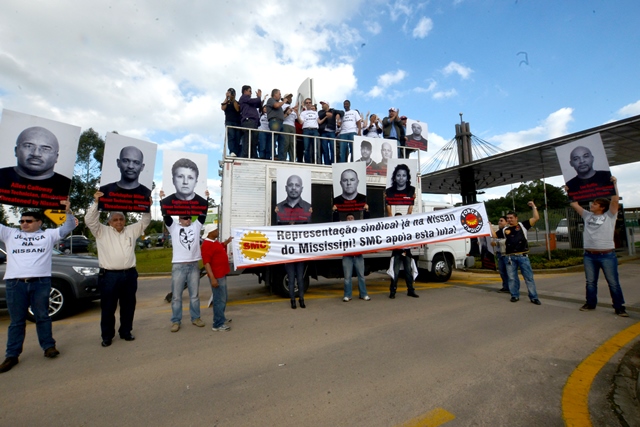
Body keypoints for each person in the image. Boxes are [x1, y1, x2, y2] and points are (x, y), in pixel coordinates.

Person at [0, 200, 75, 373]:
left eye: (28, 221)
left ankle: (48, 347)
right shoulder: (10, 234)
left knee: (42, 316)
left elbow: (68, 227)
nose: (24, 224)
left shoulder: (48, 234)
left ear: (39, 222)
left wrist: (68, 210)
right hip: (15, 284)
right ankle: (12, 355)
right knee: (17, 321)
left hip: (40, 283)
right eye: (22, 221)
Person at [86, 191, 152, 347]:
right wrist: (96, 202)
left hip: (129, 275)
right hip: (109, 276)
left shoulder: (131, 230)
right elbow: (89, 219)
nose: (118, 222)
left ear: (125, 220)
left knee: (128, 306)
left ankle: (126, 332)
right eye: (115, 219)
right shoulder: (101, 231)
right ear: (109, 222)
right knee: (108, 307)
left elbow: (145, 221)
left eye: (121, 219)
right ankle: (107, 336)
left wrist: (146, 205)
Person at [567, 176, 628, 316]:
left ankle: (619, 307)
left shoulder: (610, 215)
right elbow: (574, 204)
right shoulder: (587, 215)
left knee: (613, 282)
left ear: (602, 207)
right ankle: (590, 303)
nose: (591, 205)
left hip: (607, 255)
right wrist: (570, 191)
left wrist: (614, 184)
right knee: (590, 282)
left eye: (594, 204)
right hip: (589, 255)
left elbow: (614, 200)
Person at [163, 197, 208, 332]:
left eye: (189, 217)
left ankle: (196, 318)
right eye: (184, 218)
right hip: (179, 266)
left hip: (194, 265)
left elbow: (203, 212)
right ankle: (176, 321)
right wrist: (163, 200)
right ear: (179, 219)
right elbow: (166, 215)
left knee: (194, 295)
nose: (187, 220)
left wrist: (205, 198)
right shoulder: (173, 227)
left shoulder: (196, 226)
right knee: (176, 296)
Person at [0, 126, 72, 208]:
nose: (36, 154)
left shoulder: (67, 187)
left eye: (45, 148)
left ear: (56, 157)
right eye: (28, 146)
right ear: (16, 151)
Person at [493, 202, 542, 305]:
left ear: (516, 218)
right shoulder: (505, 230)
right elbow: (494, 236)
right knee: (512, 278)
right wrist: (487, 224)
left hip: (523, 257)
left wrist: (533, 206)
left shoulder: (523, 225)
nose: (509, 220)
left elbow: (536, 217)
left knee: (528, 277)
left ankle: (534, 297)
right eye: (508, 218)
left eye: (511, 218)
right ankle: (514, 295)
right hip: (510, 258)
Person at [99, 146, 152, 212]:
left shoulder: (147, 195)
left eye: (136, 162)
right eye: (126, 161)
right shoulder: (103, 192)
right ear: (118, 163)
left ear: (142, 167)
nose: (130, 166)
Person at [201, 224, 233, 330]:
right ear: (210, 233)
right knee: (219, 299)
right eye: (216, 230)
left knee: (223, 298)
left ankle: (221, 318)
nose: (218, 231)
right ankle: (218, 324)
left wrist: (226, 242)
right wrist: (213, 278)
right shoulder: (206, 245)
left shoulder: (214, 242)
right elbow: (206, 263)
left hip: (221, 274)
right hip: (217, 276)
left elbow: (220, 247)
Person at [341, 212, 370, 302]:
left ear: (354, 219)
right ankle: (347, 295)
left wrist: (367, 211)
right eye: (348, 218)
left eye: (351, 218)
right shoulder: (343, 230)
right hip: (347, 256)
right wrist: (335, 212)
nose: (350, 219)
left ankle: (363, 294)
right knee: (347, 277)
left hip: (358, 255)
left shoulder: (358, 229)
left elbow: (368, 224)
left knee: (361, 276)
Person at [389, 213, 418, 299]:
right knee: (395, 273)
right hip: (397, 252)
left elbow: (409, 212)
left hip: (407, 251)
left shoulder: (407, 226)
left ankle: (411, 290)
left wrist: (411, 202)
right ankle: (393, 291)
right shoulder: (392, 228)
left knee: (408, 272)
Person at [239, 85, 262, 158]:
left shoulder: (248, 101)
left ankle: (253, 156)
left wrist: (259, 98)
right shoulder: (244, 98)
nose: (251, 93)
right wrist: (258, 97)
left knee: (254, 141)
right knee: (247, 140)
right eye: (250, 91)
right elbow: (255, 101)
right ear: (245, 91)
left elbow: (258, 104)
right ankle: (245, 156)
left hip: (253, 122)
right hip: (248, 121)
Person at [221, 88, 242, 157]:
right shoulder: (226, 102)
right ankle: (232, 151)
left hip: (237, 122)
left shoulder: (236, 102)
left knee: (237, 138)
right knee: (231, 137)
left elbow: (237, 109)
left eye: (232, 93)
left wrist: (232, 99)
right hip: (229, 122)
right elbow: (223, 108)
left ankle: (236, 152)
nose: (231, 94)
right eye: (229, 92)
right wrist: (227, 98)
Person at [266, 89, 286, 160]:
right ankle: (274, 155)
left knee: (282, 140)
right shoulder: (271, 100)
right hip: (275, 121)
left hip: (280, 122)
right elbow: (276, 106)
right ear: (275, 94)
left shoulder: (278, 103)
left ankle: (281, 157)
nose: (280, 96)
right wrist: (283, 101)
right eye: (279, 94)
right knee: (274, 138)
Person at [298, 98, 319, 163]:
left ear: (311, 103)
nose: (308, 104)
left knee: (315, 148)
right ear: (305, 104)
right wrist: (297, 114)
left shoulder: (316, 113)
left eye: (309, 102)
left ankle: (315, 162)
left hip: (315, 130)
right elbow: (301, 122)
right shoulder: (303, 113)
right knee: (306, 148)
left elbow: (319, 121)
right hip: (306, 130)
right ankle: (307, 162)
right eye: (307, 103)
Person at [493, 216, 511, 293]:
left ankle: (512, 287)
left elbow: (508, 240)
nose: (499, 222)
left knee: (509, 272)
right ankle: (505, 286)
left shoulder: (507, 230)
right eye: (499, 221)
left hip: (506, 254)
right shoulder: (499, 230)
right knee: (502, 271)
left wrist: (497, 242)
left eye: (501, 220)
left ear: (506, 222)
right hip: (500, 253)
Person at [281, 93, 297, 161]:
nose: (290, 98)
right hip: (285, 125)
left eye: (291, 97)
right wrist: (287, 113)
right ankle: (283, 159)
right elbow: (281, 117)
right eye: (288, 97)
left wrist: (297, 111)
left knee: (292, 143)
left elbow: (297, 119)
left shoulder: (292, 107)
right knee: (286, 143)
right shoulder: (282, 106)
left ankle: (292, 160)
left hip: (292, 126)